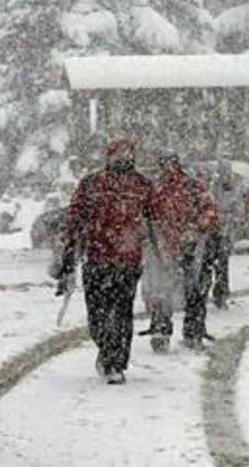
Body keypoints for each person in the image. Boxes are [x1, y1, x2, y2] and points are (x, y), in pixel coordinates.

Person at [57, 137, 153, 385]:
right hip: (97, 260)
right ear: (109, 156)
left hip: (128, 262)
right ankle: (105, 347)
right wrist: (68, 256)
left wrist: (164, 250)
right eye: (119, 153)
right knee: (97, 317)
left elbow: (155, 221)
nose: (124, 158)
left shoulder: (142, 185)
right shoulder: (92, 184)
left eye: (128, 153)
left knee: (122, 314)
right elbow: (75, 220)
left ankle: (116, 363)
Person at [144, 153, 218, 351]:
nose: (167, 169)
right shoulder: (156, 189)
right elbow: (148, 218)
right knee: (164, 292)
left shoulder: (192, 186)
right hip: (166, 249)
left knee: (193, 291)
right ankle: (164, 331)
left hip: (190, 249)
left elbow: (210, 211)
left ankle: (189, 332)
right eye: (164, 165)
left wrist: (195, 230)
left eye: (170, 164)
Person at [207, 160, 240, 309]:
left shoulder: (230, 186)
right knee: (217, 264)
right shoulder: (214, 185)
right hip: (215, 230)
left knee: (220, 264)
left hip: (221, 231)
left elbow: (236, 206)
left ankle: (220, 293)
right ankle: (219, 292)